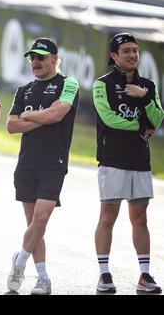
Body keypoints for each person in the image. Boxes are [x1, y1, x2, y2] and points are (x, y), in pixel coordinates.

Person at [6, 38, 79, 295]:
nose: (35, 62)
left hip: (53, 163)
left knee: (42, 218)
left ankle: (20, 261)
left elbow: (58, 114)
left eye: (41, 58)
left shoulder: (68, 84)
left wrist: (29, 116)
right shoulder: (24, 90)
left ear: (55, 59)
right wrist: (42, 118)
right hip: (27, 163)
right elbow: (11, 126)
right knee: (32, 223)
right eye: (32, 58)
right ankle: (43, 278)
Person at [93, 33, 163, 294]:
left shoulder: (148, 85)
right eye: (126, 51)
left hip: (140, 161)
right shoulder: (102, 85)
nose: (132, 55)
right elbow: (110, 119)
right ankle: (104, 274)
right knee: (108, 217)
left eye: (135, 50)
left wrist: (144, 97)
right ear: (114, 56)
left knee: (140, 218)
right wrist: (140, 126)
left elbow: (157, 119)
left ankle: (144, 275)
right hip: (112, 160)